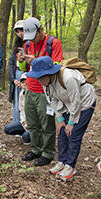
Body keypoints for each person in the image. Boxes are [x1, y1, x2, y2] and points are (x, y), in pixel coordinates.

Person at [27, 56, 96, 179]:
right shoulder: (45, 82)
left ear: (49, 73)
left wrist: (71, 122)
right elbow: (51, 100)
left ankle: (70, 166)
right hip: (66, 104)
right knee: (62, 133)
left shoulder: (68, 78)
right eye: (37, 77)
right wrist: (59, 119)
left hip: (84, 103)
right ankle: (61, 162)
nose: (39, 80)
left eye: (41, 77)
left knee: (73, 134)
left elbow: (76, 101)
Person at [21, 17, 63, 166]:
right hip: (30, 88)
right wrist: (22, 61)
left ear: (41, 30)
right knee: (32, 123)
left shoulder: (53, 43)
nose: (32, 41)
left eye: (34, 37)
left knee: (47, 124)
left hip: (46, 90)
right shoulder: (27, 44)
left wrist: (36, 60)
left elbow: (57, 66)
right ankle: (36, 148)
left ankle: (47, 152)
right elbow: (23, 69)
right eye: (29, 38)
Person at [8, 20, 26, 125]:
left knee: (26, 101)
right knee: (17, 101)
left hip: (27, 76)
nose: (20, 33)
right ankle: (16, 124)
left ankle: (26, 126)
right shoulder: (16, 46)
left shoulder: (31, 44)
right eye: (18, 31)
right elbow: (11, 64)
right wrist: (13, 79)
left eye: (22, 30)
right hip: (17, 74)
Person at [4, 73, 31, 144]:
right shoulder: (21, 94)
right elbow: (21, 110)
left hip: (33, 125)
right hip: (25, 123)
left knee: (26, 137)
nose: (24, 84)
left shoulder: (33, 94)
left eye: (26, 82)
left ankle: (31, 136)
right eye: (23, 82)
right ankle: (25, 132)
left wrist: (29, 124)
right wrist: (23, 122)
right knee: (7, 129)